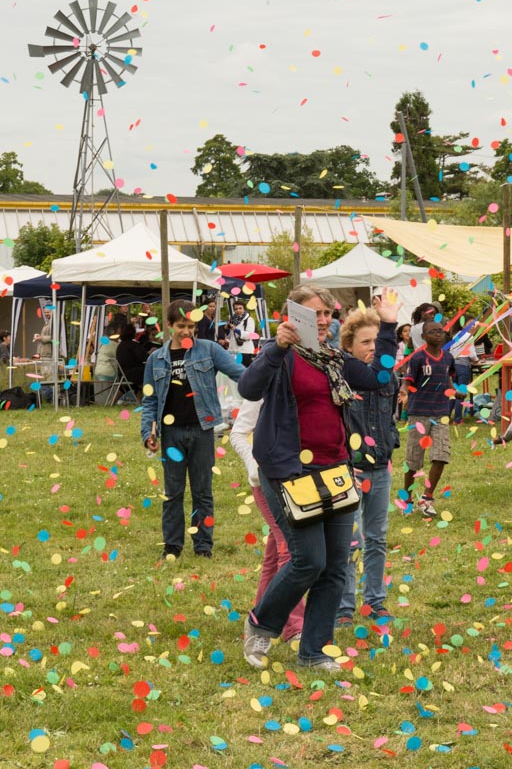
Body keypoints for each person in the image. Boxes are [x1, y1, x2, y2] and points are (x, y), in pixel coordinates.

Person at [237, 284, 399, 673]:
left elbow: (379, 377)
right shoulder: (283, 357)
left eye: (327, 313)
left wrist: (390, 326)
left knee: (335, 565)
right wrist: (276, 348)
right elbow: (248, 386)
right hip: (290, 470)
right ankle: (261, 623)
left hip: (336, 468)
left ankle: (314, 651)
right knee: (308, 560)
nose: (323, 320)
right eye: (314, 314)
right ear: (292, 317)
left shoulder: (335, 359)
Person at [140, 300, 249, 560]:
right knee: (173, 492)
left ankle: (203, 547)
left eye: (191, 326)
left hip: (201, 431)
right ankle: (172, 545)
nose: (187, 332)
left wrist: (266, 381)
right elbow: (150, 400)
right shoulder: (156, 359)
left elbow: (240, 374)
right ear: (168, 325)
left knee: (203, 491)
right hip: (171, 435)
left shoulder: (209, 350)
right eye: (181, 326)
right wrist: (148, 434)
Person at [337, 308, 401, 628]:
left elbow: (390, 415)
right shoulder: (345, 374)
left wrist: (390, 443)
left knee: (376, 537)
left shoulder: (390, 376)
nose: (373, 347)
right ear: (349, 346)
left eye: (377, 341)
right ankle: (344, 606)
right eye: (365, 342)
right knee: (349, 539)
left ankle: (375, 600)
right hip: (351, 469)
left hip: (380, 469)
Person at [228, 397, 305, 648]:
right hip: (267, 482)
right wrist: (255, 468)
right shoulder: (264, 382)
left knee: (275, 548)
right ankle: (295, 626)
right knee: (290, 546)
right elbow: (238, 433)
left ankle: (261, 616)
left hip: (298, 479)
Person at [403, 320, 456, 518]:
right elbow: (408, 381)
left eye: (440, 331)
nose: (438, 334)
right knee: (413, 460)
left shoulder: (448, 358)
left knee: (441, 455)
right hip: (419, 413)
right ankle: (406, 499)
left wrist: (454, 392)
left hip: (441, 413)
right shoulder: (417, 358)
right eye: (432, 332)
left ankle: (427, 498)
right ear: (423, 336)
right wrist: (403, 393)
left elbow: (448, 379)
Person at [93, 312, 129, 401]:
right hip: (110, 373)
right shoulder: (115, 346)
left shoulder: (104, 344)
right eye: (119, 331)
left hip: (98, 371)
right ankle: (119, 400)